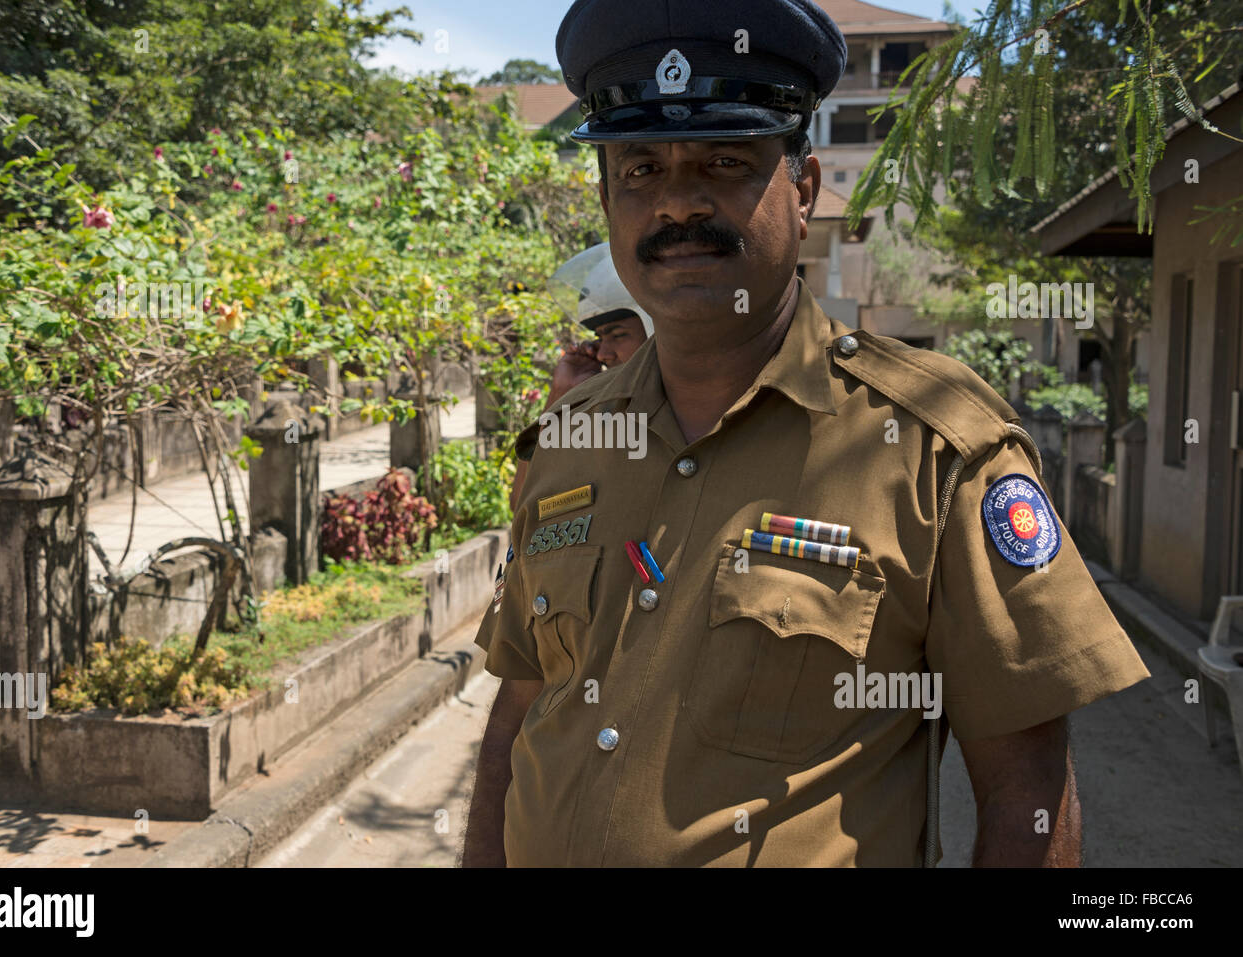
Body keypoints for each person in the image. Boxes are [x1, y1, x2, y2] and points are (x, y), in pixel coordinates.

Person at [463, 0, 1150, 868]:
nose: (677, 200)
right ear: (605, 198)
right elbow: (521, 709)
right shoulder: (570, 439)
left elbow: (1027, 792)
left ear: (804, 185)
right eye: (639, 167)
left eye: (724, 160)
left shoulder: (939, 448)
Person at [509, 244, 653, 511]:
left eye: (618, 335)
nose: (603, 354)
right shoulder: (601, 415)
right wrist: (561, 396)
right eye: (600, 338)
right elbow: (525, 506)